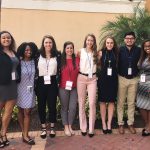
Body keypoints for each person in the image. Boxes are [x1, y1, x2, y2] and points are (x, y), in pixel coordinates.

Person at [35, 35, 61, 139]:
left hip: (52, 81)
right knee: (41, 106)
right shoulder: (37, 55)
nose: (48, 44)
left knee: (52, 106)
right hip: (41, 82)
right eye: (46, 42)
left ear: (53, 43)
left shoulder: (57, 55)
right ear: (43, 44)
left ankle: (52, 128)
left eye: (50, 42)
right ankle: (43, 128)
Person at [117, 31, 141, 134]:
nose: (129, 40)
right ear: (124, 39)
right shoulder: (119, 50)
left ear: (134, 39)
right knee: (121, 103)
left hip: (134, 79)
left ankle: (130, 123)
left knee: (131, 103)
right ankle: (120, 124)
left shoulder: (139, 50)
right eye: (127, 38)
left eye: (131, 38)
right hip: (122, 78)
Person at [0, 31, 20, 148]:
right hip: (2, 85)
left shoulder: (14, 52)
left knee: (8, 112)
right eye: (3, 38)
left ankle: (3, 134)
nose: (6, 39)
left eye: (8, 38)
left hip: (13, 85)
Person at [16, 42, 39, 145]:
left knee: (28, 111)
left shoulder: (35, 62)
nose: (28, 52)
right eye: (26, 50)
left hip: (30, 90)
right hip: (20, 89)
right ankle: (24, 132)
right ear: (22, 51)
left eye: (30, 50)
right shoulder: (18, 62)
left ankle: (25, 135)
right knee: (20, 110)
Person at [77, 33, 97, 138]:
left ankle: (91, 128)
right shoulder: (80, 52)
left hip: (92, 79)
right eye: (88, 40)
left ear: (94, 42)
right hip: (81, 78)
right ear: (85, 41)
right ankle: (83, 127)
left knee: (92, 103)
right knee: (81, 103)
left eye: (91, 40)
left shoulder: (96, 53)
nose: (89, 42)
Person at [97, 37, 118, 134]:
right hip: (103, 80)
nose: (109, 44)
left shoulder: (117, 53)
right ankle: (103, 123)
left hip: (113, 80)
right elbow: (96, 65)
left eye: (111, 43)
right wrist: (99, 58)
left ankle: (109, 123)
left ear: (114, 44)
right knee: (102, 101)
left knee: (111, 102)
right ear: (105, 44)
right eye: (108, 43)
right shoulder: (101, 52)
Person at [59, 41, 79, 136]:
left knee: (73, 107)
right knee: (64, 107)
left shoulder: (77, 59)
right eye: (67, 48)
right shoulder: (61, 60)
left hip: (74, 87)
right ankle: (65, 126)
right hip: (63, 87)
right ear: (64, 49)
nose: (69, 50)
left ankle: (70, 125)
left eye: (71, 48)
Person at [136, 39, 150, 136]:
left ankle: (148, 127)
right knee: (141, 105)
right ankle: (147, 125)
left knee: (149, 107)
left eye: (149, 46)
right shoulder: (143, 57)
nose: (147, 48)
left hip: (149, 84)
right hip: (141, 84)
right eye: (145, 46)